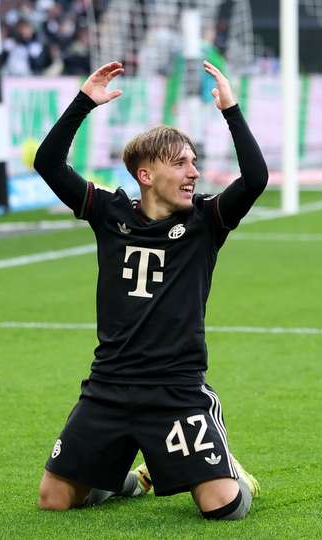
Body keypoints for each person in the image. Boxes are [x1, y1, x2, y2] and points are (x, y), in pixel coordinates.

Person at [32, 60, 267, 520]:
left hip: (176, 390)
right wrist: (83, 103)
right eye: (180, 163)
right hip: (108, 388)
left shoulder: (205, 222)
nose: (193, 172)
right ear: (145, 174)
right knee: (53, 500)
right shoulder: (108, 212)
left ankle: (236, 474)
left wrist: (232, 111)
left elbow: (255, 179)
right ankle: (130, 478)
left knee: (225, 509)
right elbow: (48, 163)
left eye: (194, 162)